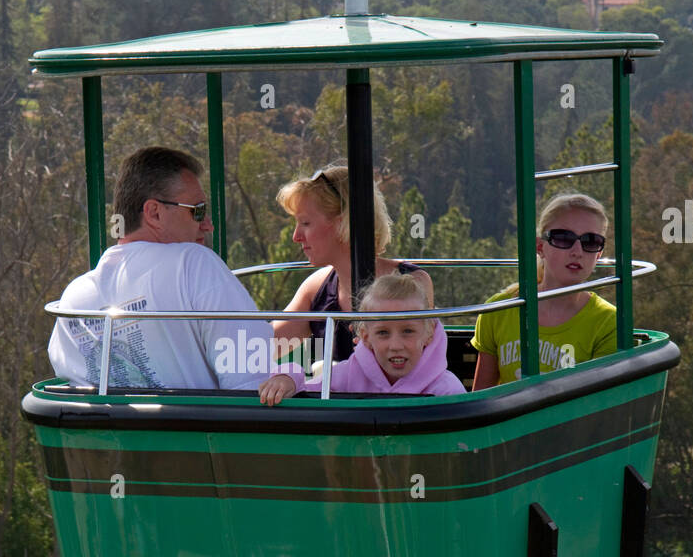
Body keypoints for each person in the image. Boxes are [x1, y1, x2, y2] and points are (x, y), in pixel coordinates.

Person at [48, 146, 274, 391]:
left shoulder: (72, 298)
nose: (208, 225)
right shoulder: (193, 264)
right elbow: (253, 382)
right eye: (198, 211)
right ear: (154, 213)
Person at [274, 164, 434, 363]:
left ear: (343, 223)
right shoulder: (315, 288)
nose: (296, 237)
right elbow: (264, 345)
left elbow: (420, 364)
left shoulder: (412, 283)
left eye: (305, 223)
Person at [472, 192, 617, 389]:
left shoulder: (608, 323)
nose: (577, 251)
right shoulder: (498, 311)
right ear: (540, 246)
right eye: (564, 238)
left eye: (590, 241)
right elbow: (482, 398)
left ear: (598, 253)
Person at [260, 273, 465, 403]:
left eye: (408, 331)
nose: (395, 345)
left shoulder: (446, 390)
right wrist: (287, 378)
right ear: (366, 337)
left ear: (428, 334)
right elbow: (308, 389)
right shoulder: (349, 374)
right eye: (383, 333)